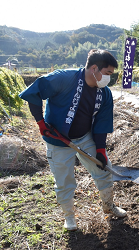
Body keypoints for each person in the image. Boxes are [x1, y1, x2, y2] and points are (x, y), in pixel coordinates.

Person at [19, 49, 126, 231]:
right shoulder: (64, 78)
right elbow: (34, 93)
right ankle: (69, 217)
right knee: (64, 181)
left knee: (104, 169)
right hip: (58, 139)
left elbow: (102, 123)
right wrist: (40, 123)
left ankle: (109, 205)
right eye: (107, 73)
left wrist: (100, 150)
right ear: (94, 68)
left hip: (85, 137)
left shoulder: (104, 94)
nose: (109, 78)